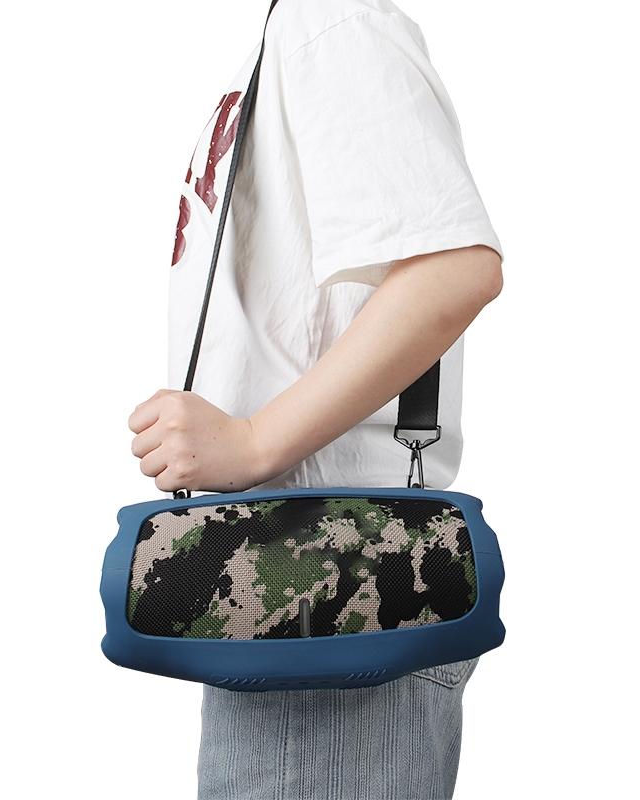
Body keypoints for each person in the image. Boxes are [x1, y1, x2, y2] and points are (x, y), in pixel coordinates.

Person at [127, 1, 503, 797]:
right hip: (281, 591)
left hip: (325, 595)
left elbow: (454, 269)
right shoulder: (301, 29)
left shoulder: (330, 20)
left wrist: (254, 441)